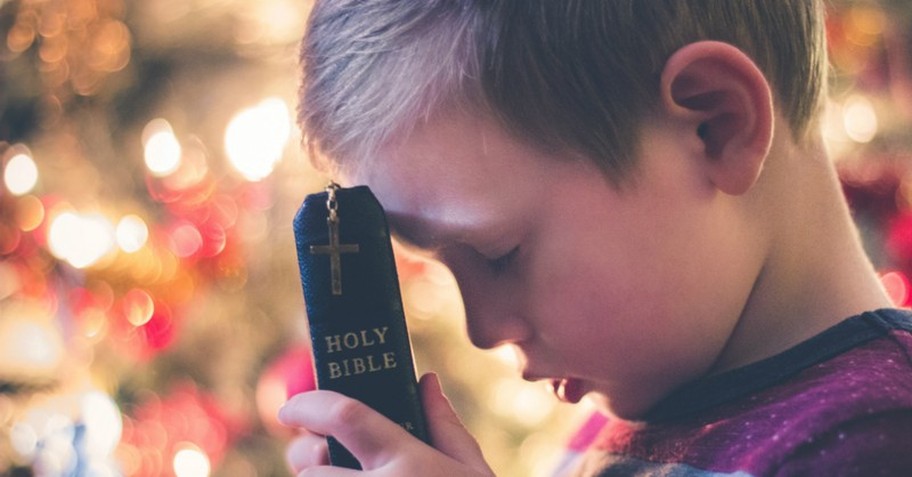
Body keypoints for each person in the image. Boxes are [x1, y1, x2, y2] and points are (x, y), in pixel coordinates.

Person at [278, 1, 912, 475]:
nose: (483, 329)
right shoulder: (624, 422)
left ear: (713, 126)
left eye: (501, 255)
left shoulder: (874, 438)